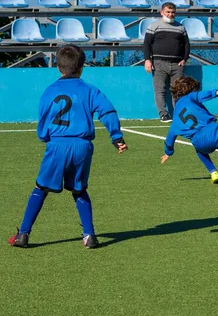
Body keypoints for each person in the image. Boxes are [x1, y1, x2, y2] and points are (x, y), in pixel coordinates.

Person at [8, 45, 128, 249]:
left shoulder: (49, 91)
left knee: (41, 188)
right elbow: (107, 111)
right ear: (82, 67)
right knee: (79, 190)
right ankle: (89, 235)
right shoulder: (90, 90)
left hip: (57, 145)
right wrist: (116, 137)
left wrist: (45, 137)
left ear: (58, 67)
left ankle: (23, 234)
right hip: (82, 146)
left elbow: (44, 118)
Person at [144, 2, 191, 123]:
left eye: (173, 12)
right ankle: (163, 114)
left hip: (177, 65)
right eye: (168, 12)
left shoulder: (181, 27)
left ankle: (179, 115)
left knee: (179, 91)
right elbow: (147, 44)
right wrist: (147, 60)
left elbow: (186, 45)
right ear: (162, 12)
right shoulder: (154, 25)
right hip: (159, 63)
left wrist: (184, 59)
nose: (170, 14)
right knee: (160, 90)